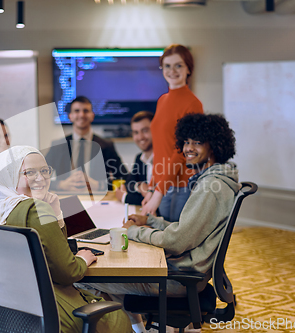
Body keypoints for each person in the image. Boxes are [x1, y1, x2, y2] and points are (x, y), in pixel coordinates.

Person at [80, 113, 241, 333]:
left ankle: (134, 330)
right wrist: (151, 221)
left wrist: (134, 231)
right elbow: (186, 229)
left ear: (214, 145)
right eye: (186, 141)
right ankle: (139, 330)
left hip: (178, 279)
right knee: (113, 275)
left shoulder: (210, 187)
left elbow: (176, 240)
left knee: (83, 278)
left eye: (197, 142)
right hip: (184, 272)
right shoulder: (213, 181)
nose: (188, 148)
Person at [0, 146, 132, 333]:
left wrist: (54, 213)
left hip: (11, 315)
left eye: (45, 170)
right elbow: (67, 272)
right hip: (51, 311)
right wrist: (82, 259)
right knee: (118, 317)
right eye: (30, 172)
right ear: (10, 176)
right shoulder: (37, 209)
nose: (41, 178)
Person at [141, 44, 204, 221]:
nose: (172, 71)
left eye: (179, 65)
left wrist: (158, 193)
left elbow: (183, 152)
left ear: (188, 68)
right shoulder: (162, 100)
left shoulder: (193, 104)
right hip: (162, 184)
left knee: (174, 244)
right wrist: (153, 188)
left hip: (181, 186)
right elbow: (160, 150)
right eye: (167, 66)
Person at [45, 96, 127, 192]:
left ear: (92, 115)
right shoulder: (58, 146)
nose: (81, 115)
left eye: (86, 111)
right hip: (65, 199)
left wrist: (99, 185)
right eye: (77, 111)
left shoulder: (106, 146)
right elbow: (37, 178)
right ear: (70, 116)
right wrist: (60, 185)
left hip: (97, 200)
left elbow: (124, 179)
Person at [115, 111, 154, 205]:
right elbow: (128, 184)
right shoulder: (140, 158)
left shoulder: (165, 158)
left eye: (145, 130)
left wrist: (125, 197)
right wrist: (139, 186)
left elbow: (154, 200)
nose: (140, 137)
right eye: (136, 132)